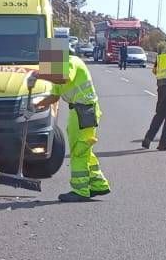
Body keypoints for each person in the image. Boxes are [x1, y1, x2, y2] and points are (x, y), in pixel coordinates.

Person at [29, 38, 109, 201]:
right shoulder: (57, 69)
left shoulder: (72, 62)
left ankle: (80, 191)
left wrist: (39, 75)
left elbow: (63, 78)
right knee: (85, 150)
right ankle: (98, 184)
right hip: (78, 111)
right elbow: (55, 95)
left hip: (85, 111)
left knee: (79, 150)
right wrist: (35, 106)